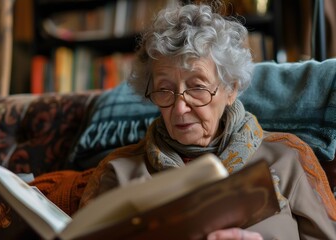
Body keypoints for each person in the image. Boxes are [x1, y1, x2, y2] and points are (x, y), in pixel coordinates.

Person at [33, 2, 336, 240]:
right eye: (165, 90)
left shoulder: (288, 158)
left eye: (197, 87)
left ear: (230, 89)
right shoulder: (118, 171)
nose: (179, 109)